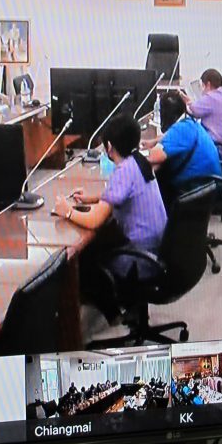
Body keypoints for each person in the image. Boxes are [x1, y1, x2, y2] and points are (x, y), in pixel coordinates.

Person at [54, 113, 168, 322]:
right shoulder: (139, 161)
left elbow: (94, 221)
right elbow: (125, 192)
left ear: (109, 146)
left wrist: (67, 210)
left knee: (82, 257)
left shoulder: (123, 171)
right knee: (99, 242)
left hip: (140, 255)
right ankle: (124, 303)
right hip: (157, 246)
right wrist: (91, 198)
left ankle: (113, 312)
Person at [144, 93, 222, 205]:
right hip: (210, 187)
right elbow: (171, 136)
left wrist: (137, 155)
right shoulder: (189, 123)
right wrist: (153, 142)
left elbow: (154, 157)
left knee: (155, 176)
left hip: (196, 190)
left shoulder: (180, 130)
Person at [183, 68, 222, 150]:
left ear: (208, 84)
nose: (202, 89)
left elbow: (195, 111)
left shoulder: (212, 97)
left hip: (217, 145)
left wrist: (187, 102)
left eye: (202, 86)